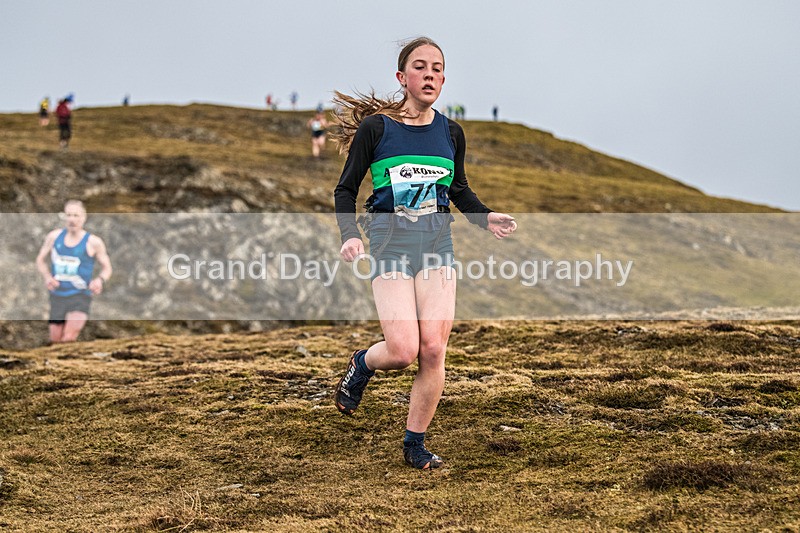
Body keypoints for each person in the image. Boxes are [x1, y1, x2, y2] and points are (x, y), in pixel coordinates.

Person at [332, 37, 517, 470]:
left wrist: (484, 217)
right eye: (420, 67)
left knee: (433, 349)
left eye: (437, 68)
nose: (430, 74)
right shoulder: (376, 129)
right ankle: (362, 363)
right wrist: (350, 234)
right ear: (402, 77)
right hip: (390, 247)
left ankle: (415, 445)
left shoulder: (451, 132)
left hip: (437, 248)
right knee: (402, 351)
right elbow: (346, 187)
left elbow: (458, 190)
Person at [35, 200, 112, 344]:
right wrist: (47, 277)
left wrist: (99, 280)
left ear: (84, 217)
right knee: (55, 339)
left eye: (76, 215)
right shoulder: (54, 237)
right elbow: (40, 259)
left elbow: (107, 268)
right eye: (69, 215)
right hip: (57, 295)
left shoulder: (93, 242)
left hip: (80, 295)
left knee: (69, 338)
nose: (72, 219)